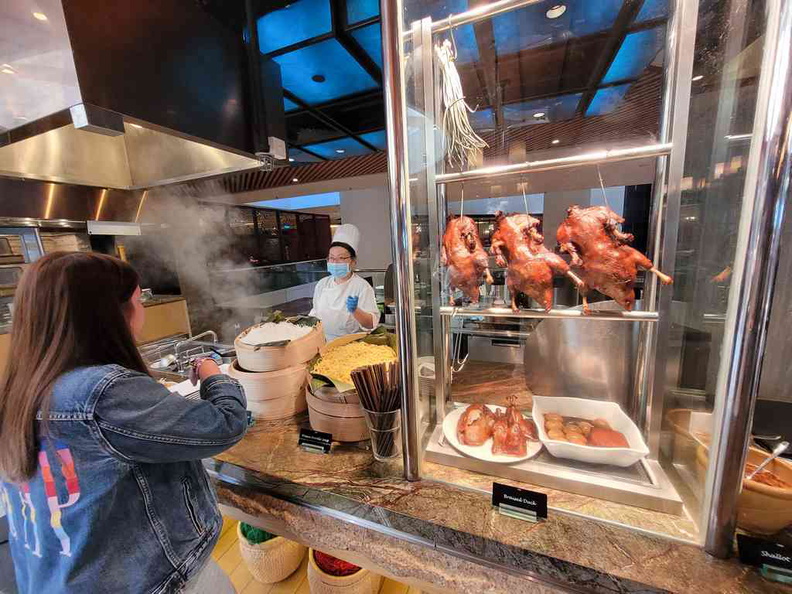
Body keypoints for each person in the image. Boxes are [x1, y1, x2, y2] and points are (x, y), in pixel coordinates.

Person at [0, 252, 247, 594]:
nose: (143, 307)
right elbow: (226, 423)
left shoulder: (19, 388)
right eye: (138, 299)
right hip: (152, 582)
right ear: (110, 315)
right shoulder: (103, 393)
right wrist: (213, 376)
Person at [310, 224, 380, 341]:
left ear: (353, 261)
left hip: (352, 343)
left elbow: (370, 324)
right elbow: (315, 315)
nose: (335, 262)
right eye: (332, 258)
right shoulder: (322, 284)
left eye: (341, 258)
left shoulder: (362, 287)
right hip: (324, 341)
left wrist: (355, 311)